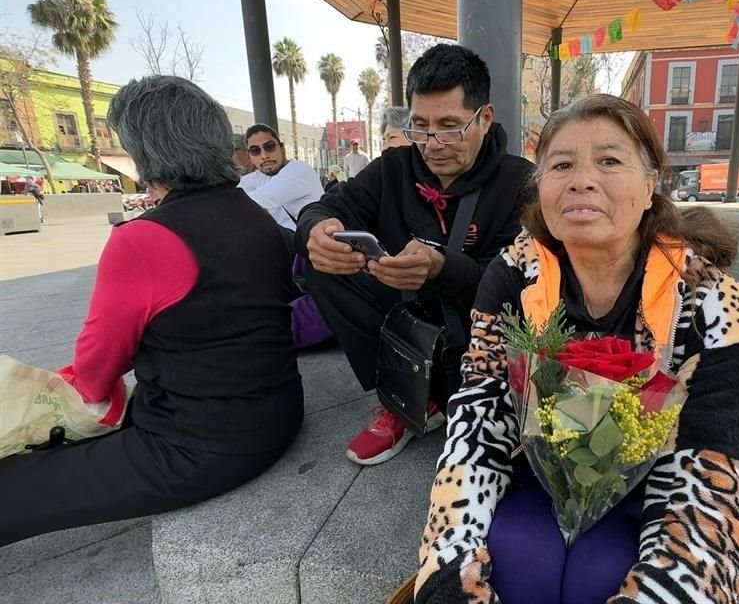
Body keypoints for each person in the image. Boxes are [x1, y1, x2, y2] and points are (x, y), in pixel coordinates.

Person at [415, 94, 739, 604]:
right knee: (514, 562)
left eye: (609, 160)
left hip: (660, 488)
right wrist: (449, 561)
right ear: (541, 190)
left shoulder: (712, 303)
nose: (582, 179)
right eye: (561, 164)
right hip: (539, 476)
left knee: (599, 578)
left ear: (650, 187)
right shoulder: (513, 278)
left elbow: (718, 468)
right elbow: (478, 419)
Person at [0, 76, 304, 547]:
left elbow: (97, 369)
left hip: (197, 444)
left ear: (144, 153)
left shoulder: (143, 238)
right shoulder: (256, 216)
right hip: (278, 412)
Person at [296, 43, 533, 466]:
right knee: (324, 267)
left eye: (450, 127)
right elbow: (324, 207)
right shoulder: (393, 168)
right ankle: (402, 397)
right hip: (403, 316)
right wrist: (317, 230)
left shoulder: (520, 181)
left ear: (485, 119)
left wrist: (440, 266)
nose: (433, 144)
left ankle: (467, 397)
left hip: (479, 328)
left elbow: (518, 283)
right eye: (420, 127)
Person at [239, 124, 325, 244]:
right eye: (255, 151)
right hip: (292, 249)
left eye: (269, 147)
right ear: (250, 157)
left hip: (315, 249)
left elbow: (255, 201)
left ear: (282, 148)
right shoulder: (259, 176)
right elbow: (231, 192)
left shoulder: (299, 170)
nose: (264, 156)